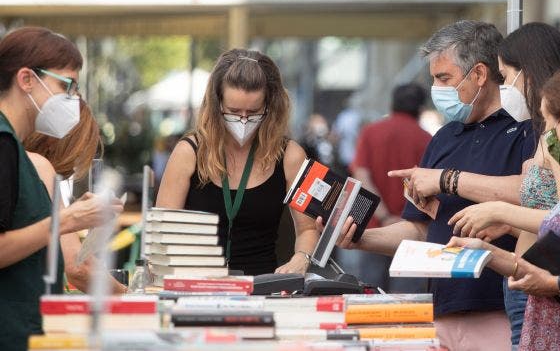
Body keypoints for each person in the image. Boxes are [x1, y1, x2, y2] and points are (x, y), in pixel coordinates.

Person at [328, 20, 536, 350]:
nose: (436, 90)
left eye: (444, 79)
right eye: (434, 80)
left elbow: (531, 194)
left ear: (480, 75)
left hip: (503, 309)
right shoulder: (442, 138)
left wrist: (445, 180)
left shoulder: (526, 130)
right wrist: (363, 238)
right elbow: (421, 230)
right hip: (442, 310)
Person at [447, 65, 560, 350]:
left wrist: (557, 284)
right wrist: (486, 254)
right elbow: (557, 262)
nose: (547, 134)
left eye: (548, 121)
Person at [434, 22, 560, 348]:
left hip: (542, 285)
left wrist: (501, 211)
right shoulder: (545, 132)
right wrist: (505, 224)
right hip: (524, 281)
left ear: (528, 71)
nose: (503, 86)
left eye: (505, 75)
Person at [0, 26, 123, 350]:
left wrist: (72, 215)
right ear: (26, 79)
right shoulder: (4, 145)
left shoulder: (14, 148)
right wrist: (67, 220)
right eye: (66, 86)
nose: (72, 99)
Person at [156, 48, 318, 276]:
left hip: (264, 287)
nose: (243, 120)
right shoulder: (189, 152)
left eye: (253, 112)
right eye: (233, 111)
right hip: (196, 286)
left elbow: (308, 228)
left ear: (270, 107)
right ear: (216, 104)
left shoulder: (291, 155)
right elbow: (164, 229)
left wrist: (302, 258)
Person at [23, 100, 127, 294]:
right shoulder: (40, 167)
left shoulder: (21, 162)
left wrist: (70, 213)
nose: (75, 168)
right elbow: (78, 266)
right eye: (80, 154)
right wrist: (128, 296)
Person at [341, 82, 431, 292]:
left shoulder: (371, 132)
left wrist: (383, 216)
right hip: (412, 232)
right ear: (421, 108)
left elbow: (361, 175)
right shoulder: (427, 139)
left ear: (392, 104)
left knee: (371, 297)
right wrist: (398, 219)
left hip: (372, 229)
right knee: (407, 304)